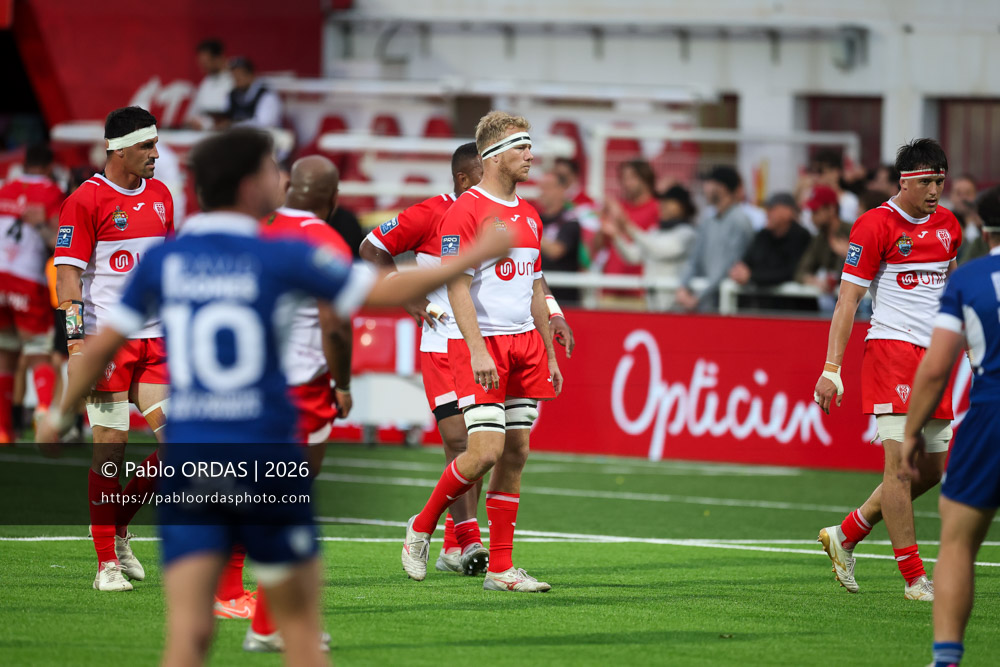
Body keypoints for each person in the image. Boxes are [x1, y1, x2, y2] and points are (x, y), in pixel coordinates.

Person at [37, 126, 510, 667]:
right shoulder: (279, 255)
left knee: (187, 637)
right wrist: (471, 256)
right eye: (270, 169)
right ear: (247, 185)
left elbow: (101, 347)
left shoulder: (169, 262)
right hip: (267, 459)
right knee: (302, 638)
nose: (280, 179)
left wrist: (55, 412)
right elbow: (382, 291)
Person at [363, 143, 574, 577]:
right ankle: (464, 539)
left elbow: (531, 273)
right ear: (465, 178)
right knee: (465, 444)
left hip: (502, 343)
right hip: (447, 344)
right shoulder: (433, 213)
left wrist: (552, 315)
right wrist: (407, 295)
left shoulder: (514, 212)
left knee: (501, 450)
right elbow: (371, 246)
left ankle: (465, 547)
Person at [814, 138, 962, 601]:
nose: (935, 190)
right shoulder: (874, 225)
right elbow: (848, 300)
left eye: (940, 180)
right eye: (926, 182)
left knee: (933, 470)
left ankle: (847, 533)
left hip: (935, 356)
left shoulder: (948, 225)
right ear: (904, 181)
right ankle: (915, 579)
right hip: (891, 352)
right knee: (898, 469)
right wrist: (831, 367)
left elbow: (953, 288)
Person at [54, 106, 174, 591]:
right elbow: (68, 276)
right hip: (107, 342)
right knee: (111, 448)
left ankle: (116, 524)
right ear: (119, 149)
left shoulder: (163, 196)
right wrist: (77, 343)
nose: (155, 154)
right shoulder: (84, 201)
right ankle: (106, 561)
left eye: (155, 144)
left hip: (159, 340)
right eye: (147, 146)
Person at [238, 155, 354, 651]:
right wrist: (344, 383)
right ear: (331, 201)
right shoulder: (326, 241)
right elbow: (335, 324)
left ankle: (266, 623)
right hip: (299, 391)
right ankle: (274, 625)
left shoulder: (253, 229)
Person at [900, 186, 1000, 667]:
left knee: (958, 542)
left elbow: (937, 367)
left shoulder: (970, 279)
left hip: (990, 414)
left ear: (984, 229)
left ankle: (946, 659)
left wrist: (914, 429)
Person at [0, 144, 64, 443]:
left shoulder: (6, 187)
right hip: (28, 281)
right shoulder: (52, 192)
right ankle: (45, 422)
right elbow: (58, 242)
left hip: (1, 279)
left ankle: (3, 432)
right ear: (50, 166)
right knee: (39, 354)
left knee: (4, 357)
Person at [602, 184, 697, 311]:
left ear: (682, 207)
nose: (663, 205)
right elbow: (633, 256)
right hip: (653, 305)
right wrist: (616, 236)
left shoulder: (687, 233)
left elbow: (659, 250)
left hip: (677, 306)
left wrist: (628, 226)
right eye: (662, 201)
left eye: (669, 202)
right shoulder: (655, 231)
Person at [675, 166, 754, 312]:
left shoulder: (739, 221)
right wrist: (682, 287)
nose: (705, 188)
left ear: (721, 187)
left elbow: (729, 268)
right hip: (706, 305)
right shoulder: (708, 221)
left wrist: (698, 297)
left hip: (729, 306)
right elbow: (694, 259)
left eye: (708, 183)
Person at [728, 192, 812, 311]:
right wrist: (739, 271)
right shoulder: (762, 235)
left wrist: (752, 276)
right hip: (763, 307)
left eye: (772, 209)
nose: (767, 213)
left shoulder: (801, 237)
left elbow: (791, 272)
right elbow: (747, 261)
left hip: (793, 310)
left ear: (788, 212)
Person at [795, 185, 853, 310]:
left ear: (831, 209)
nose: (811, 217)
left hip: (859, 307)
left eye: (816, 212)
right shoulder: (819, 238)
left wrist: (849, 256)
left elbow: (873, 266)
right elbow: (801, 271)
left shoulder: (854, 231)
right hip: (832, 306)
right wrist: (813, 281)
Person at [537, 171, 583, 304]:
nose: (542, 192)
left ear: (561, 189)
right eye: (541, 187)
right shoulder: (536, 219)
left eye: (547, 187)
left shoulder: (570, 220)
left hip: (564, 299)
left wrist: (528, 231)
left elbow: (556, 251)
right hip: (537, 296)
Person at [184, 39, 234, 130]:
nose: (203, 66)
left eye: (206, 63)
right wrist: (193, 121)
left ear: (218, 58)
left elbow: (229, 117)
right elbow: (191, 114)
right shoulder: (206, 82)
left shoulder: (234, 80)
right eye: (201, 63)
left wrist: (207, 124)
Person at [226, 57, 282, 129]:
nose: (236, 80)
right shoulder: (232, 95)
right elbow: (226, 117)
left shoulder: (266, 95)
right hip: (237, 137)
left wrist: (234, 125)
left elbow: (264, 124)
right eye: (233, 76)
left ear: (250, 75)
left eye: (239, 76)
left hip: (264, 138)